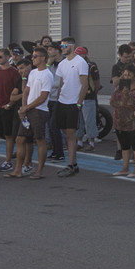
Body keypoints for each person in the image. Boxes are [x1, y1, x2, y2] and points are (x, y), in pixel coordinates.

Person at [14, 47, 54, 179]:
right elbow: (26, 91)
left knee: (39, 140)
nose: (33, 58)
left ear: (43, 58)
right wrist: (23, 108)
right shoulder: (33, 73)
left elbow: (43, 97)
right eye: (33, 56)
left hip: (39, 111)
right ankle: (19, 169)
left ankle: (39, 171)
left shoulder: (47, 74)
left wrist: (28, 107)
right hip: (28, 110)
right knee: (20, 139)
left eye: (35, 56)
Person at [51, 39, 89, 177]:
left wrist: (79, 103)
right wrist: (59, 99)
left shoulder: (80, 62)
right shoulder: (62, 64)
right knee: (66, 133)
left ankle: (72, 164)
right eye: (62, 45)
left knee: (71, 133)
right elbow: (61, 83)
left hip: (73, 103)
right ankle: (71, 163)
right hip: (62, 102)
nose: (63, 48)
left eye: (65, 45)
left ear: (72, 46)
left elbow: (84, 85)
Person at [110, 63, 135, 177]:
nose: (126, 77)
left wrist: (128, 97)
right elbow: (112, 102)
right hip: (120, 120)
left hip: (133, 122)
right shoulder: (120, 86)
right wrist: (117, 92)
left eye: (129, 75)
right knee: (124, 146)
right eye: (124, 75)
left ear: (134, 76)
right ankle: (125, 168)